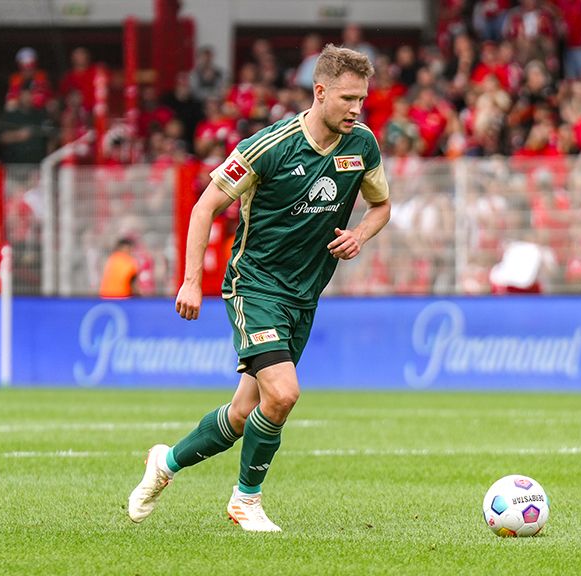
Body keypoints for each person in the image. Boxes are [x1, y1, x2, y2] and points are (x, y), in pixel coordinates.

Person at [128, 44, 391, 532]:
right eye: (348, 98)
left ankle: (165, 463)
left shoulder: (362, 146)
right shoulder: (269, 146)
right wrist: (191, 282)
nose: (357, 109)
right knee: (284, 394)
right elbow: (204, 207)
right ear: (320, 92)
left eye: (362, 99)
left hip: (304, 295)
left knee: (244, 412)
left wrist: (360, 234)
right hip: (255, 286)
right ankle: (245, 501)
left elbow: (381, 206)